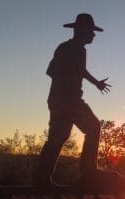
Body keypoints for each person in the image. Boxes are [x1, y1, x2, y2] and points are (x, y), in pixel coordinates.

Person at [36, 13, 114, 189]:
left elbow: (81, 70)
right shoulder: (67, 48)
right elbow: (51, 70)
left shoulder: (79, 50)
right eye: (91, 31)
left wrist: (96, 83)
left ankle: (42, 179)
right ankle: (88, 172)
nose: (93, 35)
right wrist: (67, 87)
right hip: (68, 100)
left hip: (60, 100)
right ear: (82, 31)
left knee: (58, 137)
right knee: (93, 127)